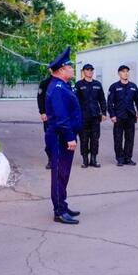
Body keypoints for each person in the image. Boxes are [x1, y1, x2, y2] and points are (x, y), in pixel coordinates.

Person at [45, 46, 83, 225]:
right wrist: (69, 137)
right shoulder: (58, 88)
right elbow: (61, 117)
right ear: (61, 70)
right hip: (61, 137)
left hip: (63, 135)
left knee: (64, 173)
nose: (72, 69)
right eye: (70, 67)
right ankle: (59, 211)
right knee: (60, 174)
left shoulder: (63, 86)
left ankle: (63, 204)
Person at [107, 65, 138, 166]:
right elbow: (109, 103)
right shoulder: (114, 87)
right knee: (118, 139)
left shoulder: (133, 86)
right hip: (119, 117)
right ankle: (120, 158)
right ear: (119, 73)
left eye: (127, 71)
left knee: (130, 139)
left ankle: (128, 158)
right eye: (123, 71)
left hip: (130, 117)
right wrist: (112, 115)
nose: (126, 73)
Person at [74, 64, 107, 168]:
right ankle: (85, 160)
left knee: (95, 138)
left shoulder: (97, 84)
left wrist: (104, 112)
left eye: (91, 70)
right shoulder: (78, 85)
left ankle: (93, 159)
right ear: (83, 72)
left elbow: (102, 99)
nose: (90, 72)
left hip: (95, 116)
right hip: (83, 117)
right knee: (84, 139)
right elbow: (75, 101)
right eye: (87, 70)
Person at [37, 71, 54, 169]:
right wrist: (42, 112)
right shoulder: (45, 83)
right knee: (50, 138)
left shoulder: (65, 82)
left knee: (62, 139)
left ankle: (59, 159)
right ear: (50, 70)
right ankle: (51, 159)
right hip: (49, 116)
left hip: (61, 116)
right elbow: (40, 98)